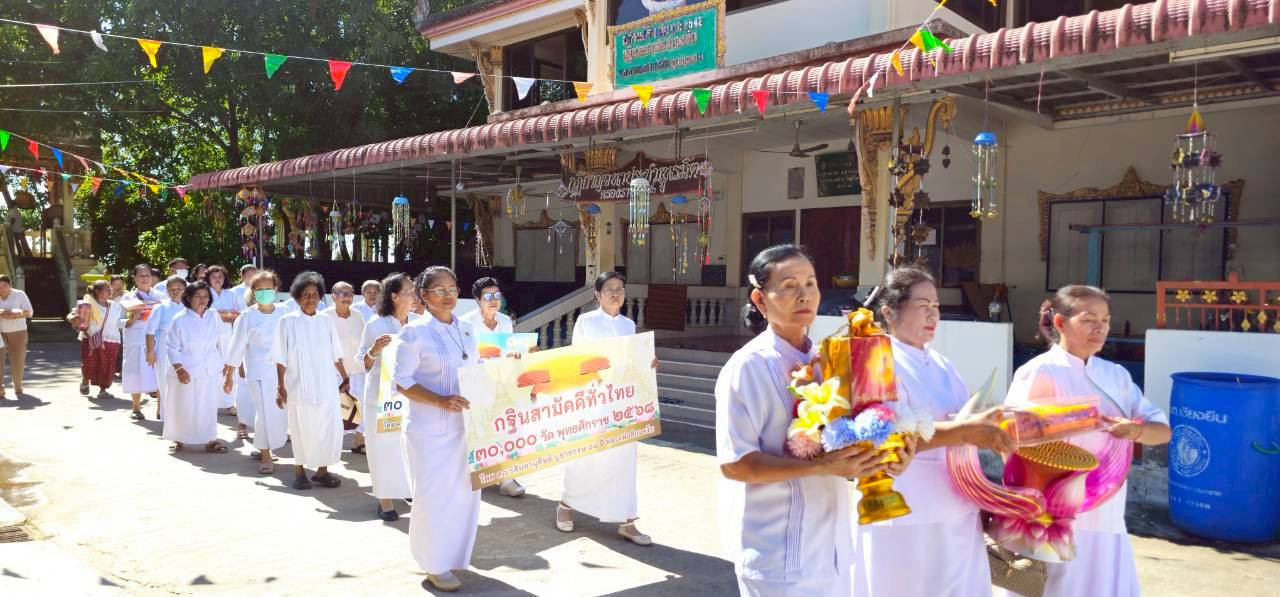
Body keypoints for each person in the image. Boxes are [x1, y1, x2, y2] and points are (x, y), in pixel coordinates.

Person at [715, 245, 906, 596]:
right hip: (778, 555)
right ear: (760, 299)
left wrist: (878, 456)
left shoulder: (827, 359)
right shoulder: (748, 367)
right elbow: (736, 465)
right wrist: (821, 466)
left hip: (832, 550)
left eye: (811, 283)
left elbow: (846, 438)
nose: (804, 295)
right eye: (789, 285)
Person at [997, 285, 1171, 597]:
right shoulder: (1039, 372)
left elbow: (1161, 430)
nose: (1100, 328)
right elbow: (1010, 441)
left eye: (1105, 320)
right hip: (1054, 516)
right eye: (1089, 319)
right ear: (1061, 323)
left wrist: (1135, 431)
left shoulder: (1116, 375)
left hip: (1107, 512)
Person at [852, 266, 1003, 597]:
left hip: (958, 506)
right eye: (923, 306)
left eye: (936, 306)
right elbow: (888, 438)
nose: (933, 314)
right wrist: (966, 430)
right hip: (906, 508)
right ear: (890, 312)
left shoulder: (942, 364)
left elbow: (963, 428)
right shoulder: (877, 360)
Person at [393, 266, 479, 592]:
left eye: (453, 289)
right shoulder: (414, 333)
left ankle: (453, 556)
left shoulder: (468, 329)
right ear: (424, 296)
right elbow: (402, 381)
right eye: (439, 290)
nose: (448, 296)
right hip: (429, 431)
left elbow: (478, 370)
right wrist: (440, 401)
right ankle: (433, 563)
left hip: (466, 430)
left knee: (462, 497)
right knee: (433, 498)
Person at [557, 271, 657, 545]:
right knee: (585, 456)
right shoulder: (586, 322)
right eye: (610, 289)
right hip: (593, 400)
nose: (616, 293)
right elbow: (577, 361)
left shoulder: (628, 324)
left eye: (620, 289)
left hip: (623, 403)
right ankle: (567, 504)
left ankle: (627, 520)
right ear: (597, 295)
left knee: (624, 459)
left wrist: (647, 364)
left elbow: (632, 361)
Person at [272, 271, 349, 491]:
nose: (310, 298)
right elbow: (280, 358)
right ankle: (299, 472)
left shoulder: (326, 321)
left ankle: (322, 471)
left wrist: (345, 378)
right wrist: (280, 386)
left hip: (325, 385)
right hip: (298, 386)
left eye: (314, 294)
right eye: (305, 294)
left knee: (326, 427)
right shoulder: (286, 322)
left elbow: (336, 354)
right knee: (300, 428)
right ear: (297, 297)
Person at [356, 273, 418, 521]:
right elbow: (361, 361)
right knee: (382, 447)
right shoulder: (376, 325)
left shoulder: (418, 323)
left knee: (406, 446)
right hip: (382, 398)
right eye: (409, 291)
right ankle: (384, 499)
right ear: (395, 296)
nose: (414, 296)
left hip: (411, 397)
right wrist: (373, 350)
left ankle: (406, 489)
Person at [459, 276, 526, 498]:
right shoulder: (465, 322)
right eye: (487, 296)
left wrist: (515, 354)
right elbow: (462, 355)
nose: (493, 300)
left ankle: (506, 478)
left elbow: (509, 348)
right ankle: (477, 475)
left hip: (501, 383)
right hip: (476, 384)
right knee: (477, 430)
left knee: (504, 428)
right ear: (478, 299)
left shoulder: (505, 321)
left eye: (496, 295)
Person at [223, 271, 290, 475]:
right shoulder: (247, 316)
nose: (264, 293)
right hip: (258, 372)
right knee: (264, 412)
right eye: (259, 290)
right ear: (253, 292)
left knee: (279, 413)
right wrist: (229, 375)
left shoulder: (285, 313)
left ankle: (267, 445)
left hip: (283, 373)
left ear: (276, 289)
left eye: (268, 288)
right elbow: (237, 346)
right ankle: (265, 453)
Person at [164, 281, 229, 454]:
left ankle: (210, 440)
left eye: (206, 296)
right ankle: (179, 438)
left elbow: (223, 338)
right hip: (186, 369)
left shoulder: (213, 315)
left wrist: (225, 364)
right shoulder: (180, 319)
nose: (203, 300)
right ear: (189, 298)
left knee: (207, 406)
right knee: (183, 405)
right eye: (198, 296)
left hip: (209, 368)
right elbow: (172, 347)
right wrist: (179, 369)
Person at [321, 282, 366, 450]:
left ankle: (358, 442)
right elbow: (326, 348)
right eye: (343, 293)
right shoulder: (325, 316)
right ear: (333, 296)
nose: (347, 296)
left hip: (357, 370)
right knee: (334, 408)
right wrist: (343, 374)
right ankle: (331, 446)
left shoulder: (358, 315)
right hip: (334, 372)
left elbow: (363, 342)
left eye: (350, 293)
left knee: (359, 407)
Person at [121, 264, 164, 420]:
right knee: (135, 373)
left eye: (147, 275)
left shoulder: (161, 296)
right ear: (135, 278)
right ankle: (136, 408)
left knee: (158, 373)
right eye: (141, 275)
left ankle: (161, 408)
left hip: (157, 339)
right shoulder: (127, 298)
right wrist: (131, 320)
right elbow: (118, 320)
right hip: (136, 339)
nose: (145, 279)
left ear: (152, 278)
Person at [68, 280, 123, 399]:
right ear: (97, 291)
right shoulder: (87, 304)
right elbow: (71, 315)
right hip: (91, 338)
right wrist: (75, 318)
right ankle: (85, 380)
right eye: (107, 289)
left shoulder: (115, 305)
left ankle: (103, 389)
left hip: (112, 339)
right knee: (89, 364)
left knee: (108, 366)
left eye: (110, 289)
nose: (110, 291)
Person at [145, 276, 189, 420]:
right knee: (165, 386)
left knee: (186, 386)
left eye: (179, 289)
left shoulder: (190, 307)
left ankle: (185, 418)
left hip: (187, 350)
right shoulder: (161, 307)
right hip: (164, 350)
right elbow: (150, 331)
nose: (175, 292)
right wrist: (150, 352)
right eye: (172, 289)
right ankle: (168, 419)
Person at [0, 274, 34, 398]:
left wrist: (14, 315)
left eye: (4, 285)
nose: (2, 289)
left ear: (10, 285)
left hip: (18, 331)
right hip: (0, 331)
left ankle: (18, 385)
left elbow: (29, 312)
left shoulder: (19, 294)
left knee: (17, 359)